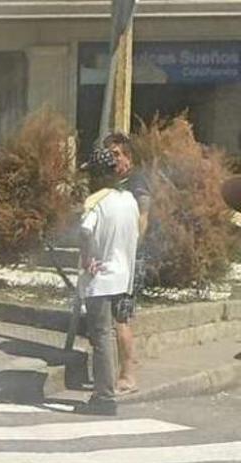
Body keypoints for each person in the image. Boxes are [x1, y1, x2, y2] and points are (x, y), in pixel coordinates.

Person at [76, 147, 140, 416]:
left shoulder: (96, 202)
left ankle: (104, 397)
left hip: (101, 279)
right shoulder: (130, 200)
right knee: (119, 328)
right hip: (124, 276)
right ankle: (123, 377)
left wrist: (89, 257)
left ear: (99, 175)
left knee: (100, 338)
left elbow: (84, 231)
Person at [103, 133, 149, 395]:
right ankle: (120, 369)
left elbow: (144, 216)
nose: (113, 159)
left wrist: (132, 249)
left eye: (117, 154)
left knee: (121, 318)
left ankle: (128, 376)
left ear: (128, 157)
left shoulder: (136, 181)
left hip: (128, 259)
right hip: (114, 257)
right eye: (110, 154)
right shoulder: (113, 182)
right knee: (114, 317)